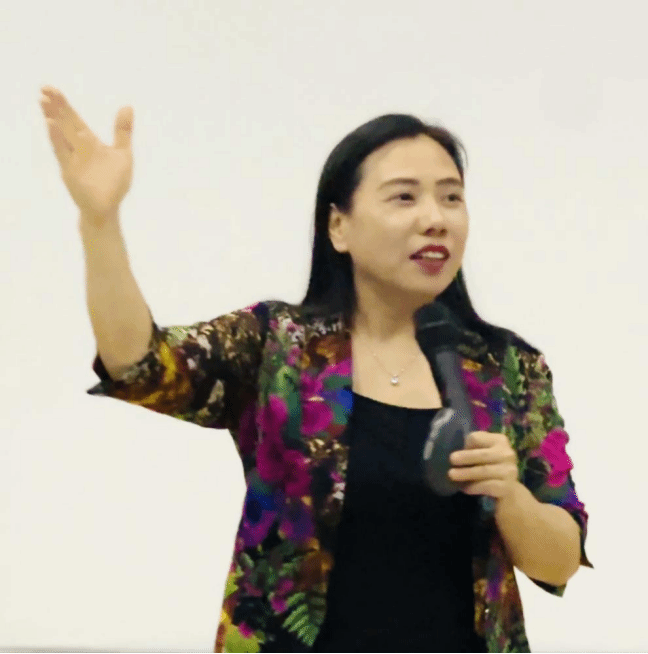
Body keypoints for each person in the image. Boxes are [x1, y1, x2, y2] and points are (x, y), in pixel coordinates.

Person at [39, 86, 593, 653]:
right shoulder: (278, 347)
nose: (435, 218)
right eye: (404, 197)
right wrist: (99, 221)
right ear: (339, 227)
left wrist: (509, 495)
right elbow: (138, 363)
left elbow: (560, 560)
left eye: (451, 198)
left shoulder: (509, 369)